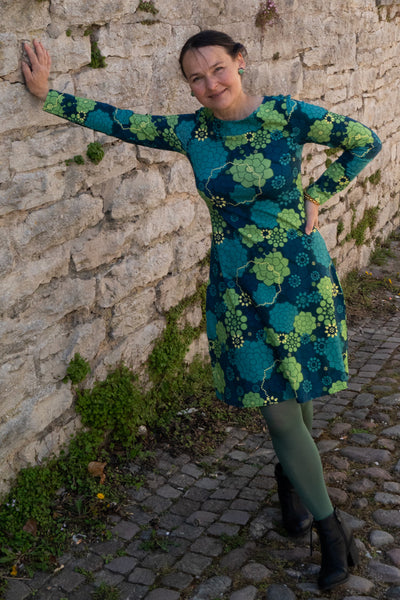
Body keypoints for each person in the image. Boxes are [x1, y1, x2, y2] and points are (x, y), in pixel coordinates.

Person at [22, 31, 381, 591]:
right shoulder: (191, 131)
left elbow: (364, 141)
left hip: (298, 277)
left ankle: (294, 488)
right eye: (196, 77)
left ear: (240, 62)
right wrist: (49, 96)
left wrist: (318, 194)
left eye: (217, 69)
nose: (210, 84)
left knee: (297, 385)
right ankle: (332, 531)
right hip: (237, 287)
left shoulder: (286, 115)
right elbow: (121, 121)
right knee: (278, 411)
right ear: (189, 86)